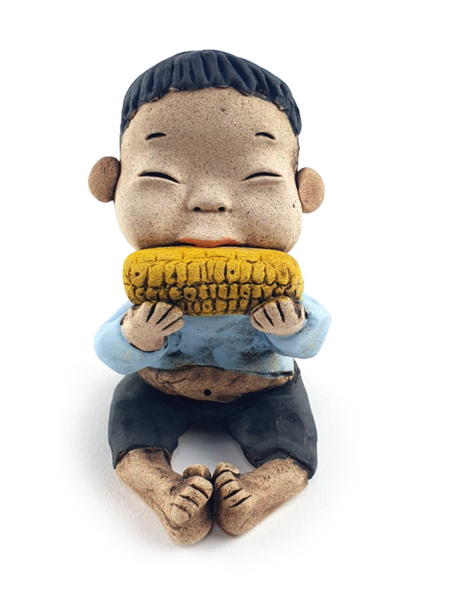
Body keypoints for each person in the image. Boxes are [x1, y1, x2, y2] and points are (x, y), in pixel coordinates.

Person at [89, 50, 331, 544]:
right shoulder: (147, 297)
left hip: (261, 386)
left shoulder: (283, 292)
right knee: (130, 419)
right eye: (160, 177)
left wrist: (293, 330)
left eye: (259, 178)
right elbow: (109, 349)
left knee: (292, 435)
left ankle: (266, 488)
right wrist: (135, 337)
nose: (210, 201)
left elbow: (312, 337)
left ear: (304, 192)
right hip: (162, 382)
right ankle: (161, 489)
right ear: (111, 184)